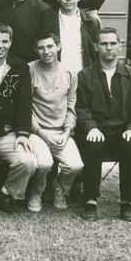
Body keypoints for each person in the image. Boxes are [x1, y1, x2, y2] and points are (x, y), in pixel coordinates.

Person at [0, 23, 50, 213]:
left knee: (28, 161)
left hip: (10, 132)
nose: (0, 45)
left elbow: (24, 103)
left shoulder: (20, 67)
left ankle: (6, 193)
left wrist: (23, 133)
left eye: (5, 41)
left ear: (11, 42)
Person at [75, 28, 131, 222]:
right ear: (96, 46)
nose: (108, 48)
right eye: (103, 44)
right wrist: (91, 126)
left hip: (121, 131)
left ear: (120, 46)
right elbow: (81, 108)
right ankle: (90, 200)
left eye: (112, 43)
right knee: (91, 145)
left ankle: (126, 202)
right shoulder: (85, 76)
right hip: (97, 130)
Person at [28, 31, 84, 213]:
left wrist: (67, 132)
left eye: (50, 46)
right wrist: (39, 132)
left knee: (76, 165)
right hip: (37, 132)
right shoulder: (30, 70)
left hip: (61, 132)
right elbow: (25, 108)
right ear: (36, 50)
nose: (46, 51)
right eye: (41, 48)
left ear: (58, 47)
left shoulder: (69, 73)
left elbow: (72, 106)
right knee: (43, 163)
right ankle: (37, 191)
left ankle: (59, 187)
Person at [51, 0, 101, 76]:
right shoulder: (49, 19)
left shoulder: (91, 22)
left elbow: (97, 54)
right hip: (57, 77)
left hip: (83, 77)